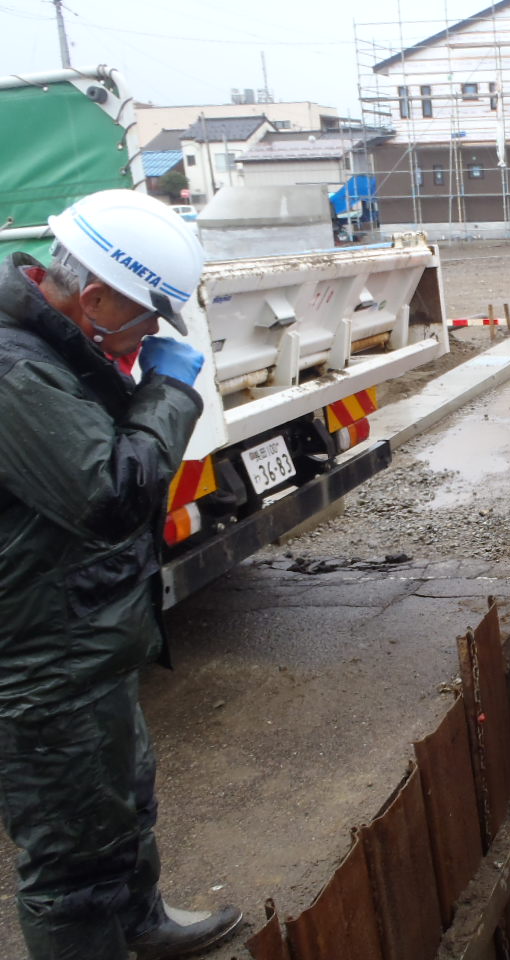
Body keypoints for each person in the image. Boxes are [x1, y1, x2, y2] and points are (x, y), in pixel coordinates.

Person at [0, 190, 242, 959]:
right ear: (95, 297)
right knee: (75, 857)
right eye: (148, 317)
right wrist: (169, 393)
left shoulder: (60, 346)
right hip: (43, 659)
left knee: (124, 803)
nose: (148, 336)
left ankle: (140, 925)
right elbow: (110, 495)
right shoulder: (14, 372)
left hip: (86, 636)